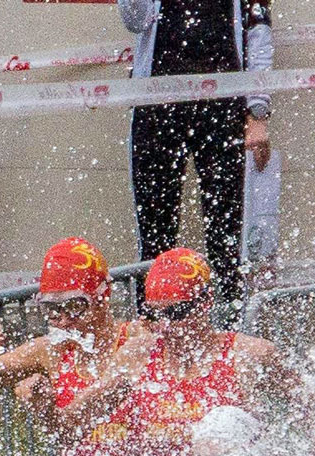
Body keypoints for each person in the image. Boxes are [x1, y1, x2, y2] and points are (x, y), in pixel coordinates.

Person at [54, 249, 305, 456]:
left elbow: (310, 411)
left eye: (176, 313)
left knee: (223, 422)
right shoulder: (137, 356)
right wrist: (41, 400)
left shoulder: (249, 355)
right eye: (155, 314)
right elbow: (73, 423)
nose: (165, 326)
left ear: (206, 302)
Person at [0, 240, 147, 456]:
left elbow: (73, 423)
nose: (64, 321)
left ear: (103, 295)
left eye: (75, 307)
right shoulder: (50, 352)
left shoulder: (137, 342)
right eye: (52, 310)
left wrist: (48, 412)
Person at [119, 0, 271, 319]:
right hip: (157, 107)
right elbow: (135, 20)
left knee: (225, 235)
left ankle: (228, 329)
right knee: (155, 235)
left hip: (223, 106)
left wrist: (257, 112)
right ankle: (153, 330)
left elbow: (258, 29)